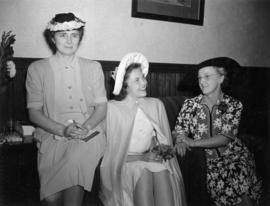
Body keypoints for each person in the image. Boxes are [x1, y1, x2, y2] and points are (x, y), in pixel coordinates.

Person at [25, 13, 107, 206]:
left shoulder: (93, 67)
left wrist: (85, 128)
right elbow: (34, 113)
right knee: (51, 199)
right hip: (51, 134)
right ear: (53, 39)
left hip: (90, 132)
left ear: (80, 37)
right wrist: (62, 130)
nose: (69, 40)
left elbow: (102, 108)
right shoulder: (36, 69)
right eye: (63, 35)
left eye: (74, 35)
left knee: (75, 162)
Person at [100, 52, 187, 206]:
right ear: (124, 86)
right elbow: (111, 154)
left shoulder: (155, 105)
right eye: (137, 80)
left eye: (143, 77)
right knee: (143, 171)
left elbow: (159, 138)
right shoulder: (112, 109)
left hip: (147, 158)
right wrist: (141, 158)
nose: (144, 83)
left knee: (162, 170)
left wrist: (157, 150)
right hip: (124, 163)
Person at [173, 57, 262, 206]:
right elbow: (178, 130)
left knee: (244, 190)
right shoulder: (190, 104)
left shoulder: (233, 104)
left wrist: (193, 142)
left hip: (234, 156)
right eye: (200, 77)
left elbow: (225, 138)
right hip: (207, 161)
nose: (202, 81)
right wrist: (180, 139)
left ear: (221, 78)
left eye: (207, 76)